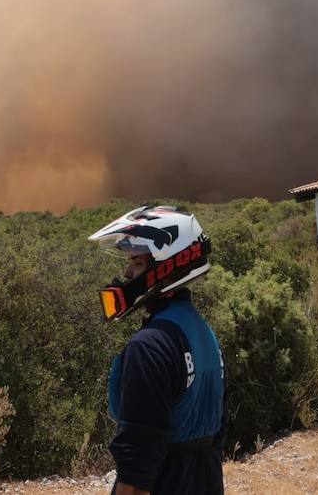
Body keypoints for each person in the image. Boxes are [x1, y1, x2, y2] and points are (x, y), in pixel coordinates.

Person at [89, 205, 225, 495]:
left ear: (166, 266)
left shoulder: (149, 346)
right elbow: (215, 435)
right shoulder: (204, 333)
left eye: (137, 262)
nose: (126, 272)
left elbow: (137, 468)